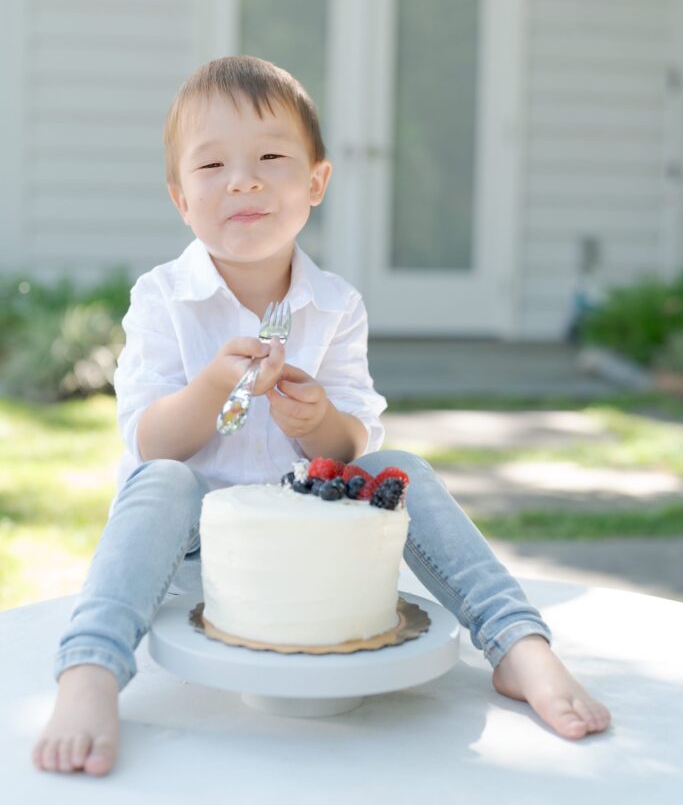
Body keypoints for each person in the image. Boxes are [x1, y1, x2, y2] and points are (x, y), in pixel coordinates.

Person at [32, 55, 611, 777]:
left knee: (395, 469)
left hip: (308, 550)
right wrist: (215, 386)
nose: (242, 179)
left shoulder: (334, 306)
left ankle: (517, 644)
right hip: (185, 555)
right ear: (181, 198)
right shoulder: (162, 298)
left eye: (270, 157)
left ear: (315, 183)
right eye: (211, 166)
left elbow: (352, 441)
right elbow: (152, 441)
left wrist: (317, 423)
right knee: (162, 483)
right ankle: (90, 670)